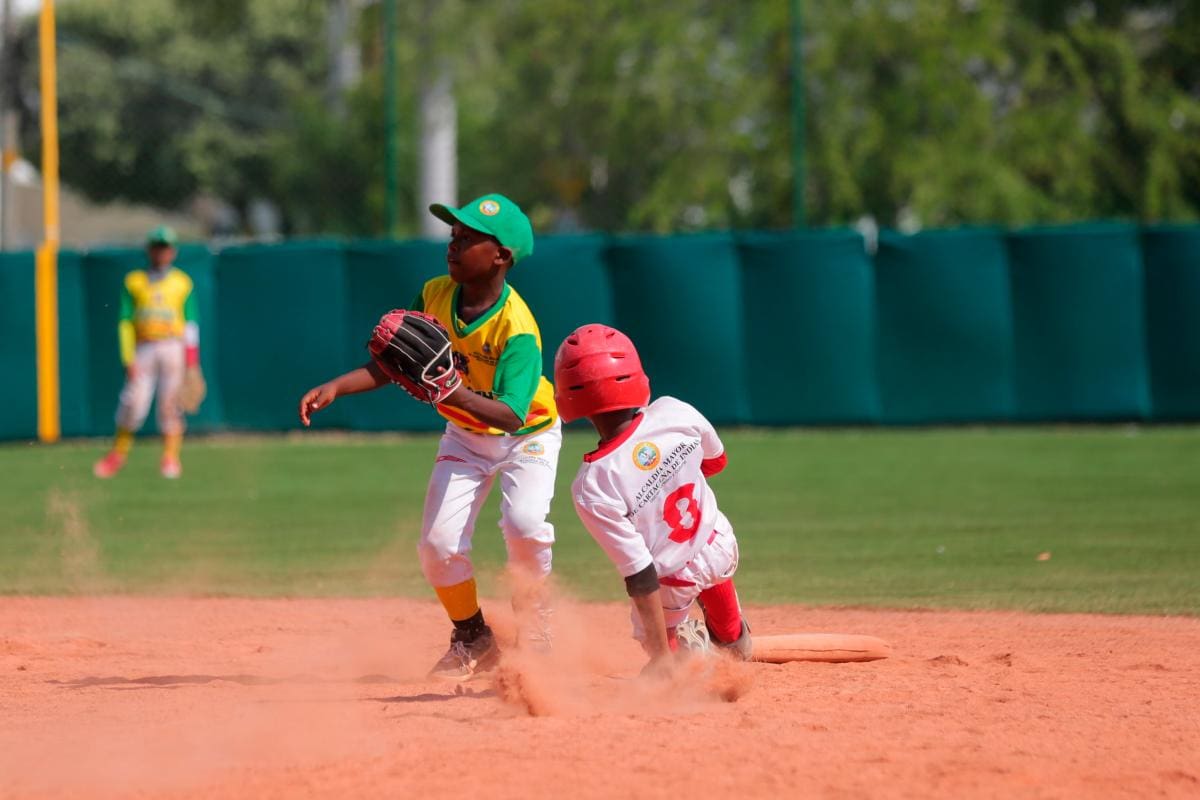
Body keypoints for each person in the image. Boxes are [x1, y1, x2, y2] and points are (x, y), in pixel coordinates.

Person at [298, 194, 561, 681]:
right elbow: (392, 363)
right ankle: (473, 636)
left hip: (528, 436)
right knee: (438, 546)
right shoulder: (435, 293)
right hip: (464, 436)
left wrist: (454, 392)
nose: (453, 245)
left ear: (501, 256)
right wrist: (338, 386)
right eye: (452, 235)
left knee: (524, 524)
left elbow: (508, 414)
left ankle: (537, 628)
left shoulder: (517, 329)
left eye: (468, 239)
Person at [554, 324, 752, 675]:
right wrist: (667, 477)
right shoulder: (676, 411)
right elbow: (716, 462)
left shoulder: (594, 483)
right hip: (718, 543)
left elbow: (640, 573)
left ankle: (682, 659)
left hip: (670, 577)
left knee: (658, 638)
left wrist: (659, 655)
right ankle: (734, 638)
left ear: (568, 398)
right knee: (715, 576)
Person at [93, 225, 201, 480]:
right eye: (157, 247)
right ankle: (118, 454)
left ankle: (170, 458)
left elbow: (191, 324)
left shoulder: (182, 282)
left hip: (173, 345)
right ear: (149, 250)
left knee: (171, 405)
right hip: (144, 346)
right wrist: (127, 356)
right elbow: (125, 322)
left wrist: (192, 362)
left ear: (173, 252)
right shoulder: (134, 281)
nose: (161, 252)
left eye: (165, 248)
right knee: (133, 402)